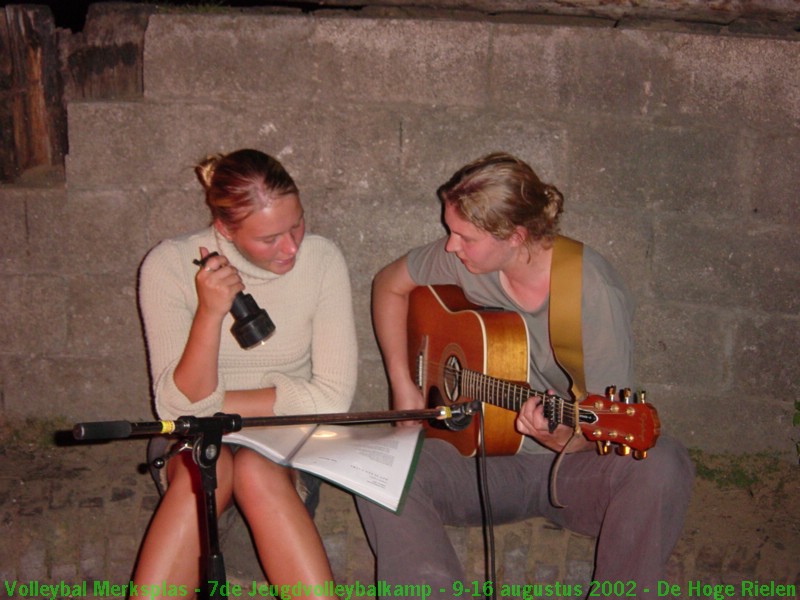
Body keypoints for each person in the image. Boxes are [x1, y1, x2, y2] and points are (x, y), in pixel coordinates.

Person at [356, 152, 693, 599]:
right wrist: (403, 381)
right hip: (477, 461)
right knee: (377, 469)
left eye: (464, 237)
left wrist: (564, 439)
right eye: (451, 231)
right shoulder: (463, 262)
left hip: (568, 472)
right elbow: (388, 284)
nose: (450, 245)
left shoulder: (592, 291)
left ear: (515, 236)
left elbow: (602, 426)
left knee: (663, 465)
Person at [133, 149, 358, 598]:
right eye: (270, 238)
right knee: (206, 467)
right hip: (192, 440)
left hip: (286, 437)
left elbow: (333, 398)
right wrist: (210, 313)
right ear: (225, 231)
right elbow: (175, 409)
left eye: (297, 224)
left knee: (254, 467)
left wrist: (213, 406)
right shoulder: (169, 265)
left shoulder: (322, 260)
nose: (291, 246)